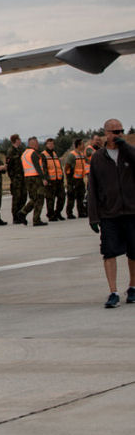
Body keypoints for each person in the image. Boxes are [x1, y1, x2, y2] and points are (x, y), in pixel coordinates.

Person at [86, 118, 135, 308]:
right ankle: (113, 291)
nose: (118, 134)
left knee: (133, 252)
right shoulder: (98, 157)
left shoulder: (129, 153)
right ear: (106, 133)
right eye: (114, 131)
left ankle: (132, 287)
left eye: (120, 131)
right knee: (109, 252)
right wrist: (93, 216)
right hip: (109, 213)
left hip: (131, 210)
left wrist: (126, 147)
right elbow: (93, 189)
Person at [19, 136, 48, 226]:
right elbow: (38, 167)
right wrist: (43, 178)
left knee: (33, 198)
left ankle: (23, 212)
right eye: (36, 143)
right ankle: (36, 219)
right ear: (32, 144)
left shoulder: (24, 154)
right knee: (40, 198)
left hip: (27, 178)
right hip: (36, 178)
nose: (38, 144)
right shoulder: (34, 153)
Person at [42, 138, 65, 221]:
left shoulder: (55, 154)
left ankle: (58, 212)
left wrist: (62, 177)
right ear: (46, 145)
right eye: (49, 144)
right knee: (50, 199)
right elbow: (43, 168)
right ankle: (51, 215)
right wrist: (45, 179)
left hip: (58, 179)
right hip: (50, 181)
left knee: (62, 197)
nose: (51, 145)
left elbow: (59, 166)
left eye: (52, 144)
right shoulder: (43, 154)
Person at [6, 134, 27, 224]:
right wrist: (13, 178)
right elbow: (9, 166)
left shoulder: (21, 150)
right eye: (19, 139)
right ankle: (15, 217)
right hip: (16, 179)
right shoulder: (11, 151)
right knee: (16, 198)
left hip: (23, 178)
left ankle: (21, 214)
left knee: (23, 197)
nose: (20, 140)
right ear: (16, 140)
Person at [64, 139, 87, 219]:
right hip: (73, 179)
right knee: (71, 196)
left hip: (80, 179)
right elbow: (67, 167)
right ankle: (69, 213)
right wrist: (69, 179)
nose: (84, 146)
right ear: (79, 145)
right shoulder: (72, 155)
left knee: (81, 196)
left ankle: (81, 212)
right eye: (82, 144)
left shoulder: (81, 154)